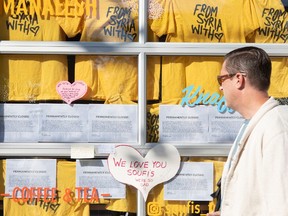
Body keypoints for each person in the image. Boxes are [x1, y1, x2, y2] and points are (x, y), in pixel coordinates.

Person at [207, 46, 288, 216]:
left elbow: (282, 204)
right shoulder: (258, 122)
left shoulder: (277, 127)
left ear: (238, 79)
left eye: (221, 79)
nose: (221, 88)